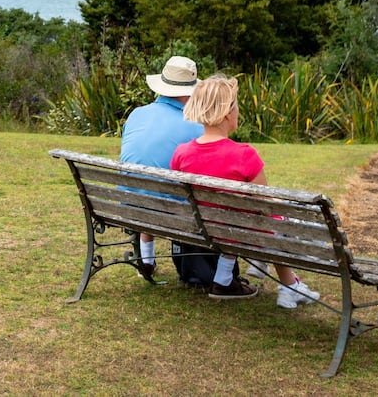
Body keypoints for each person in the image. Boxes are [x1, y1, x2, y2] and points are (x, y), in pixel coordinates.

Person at [170, 74, 321, 308]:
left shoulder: (182, 152)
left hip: (204, 229)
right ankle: (290, 286)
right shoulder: (244, 154)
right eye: (236, 105)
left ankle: (277, 281)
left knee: (263, 220)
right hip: (242, 233)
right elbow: (266, 205)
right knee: (279, 219)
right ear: (228, 112)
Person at [119, 56, 208, 284]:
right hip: (167, 209)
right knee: (174, 191)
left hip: (126, 203)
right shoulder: (195, 127)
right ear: (190, 91)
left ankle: (147, 261)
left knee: (151, 183)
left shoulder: (136, 114)